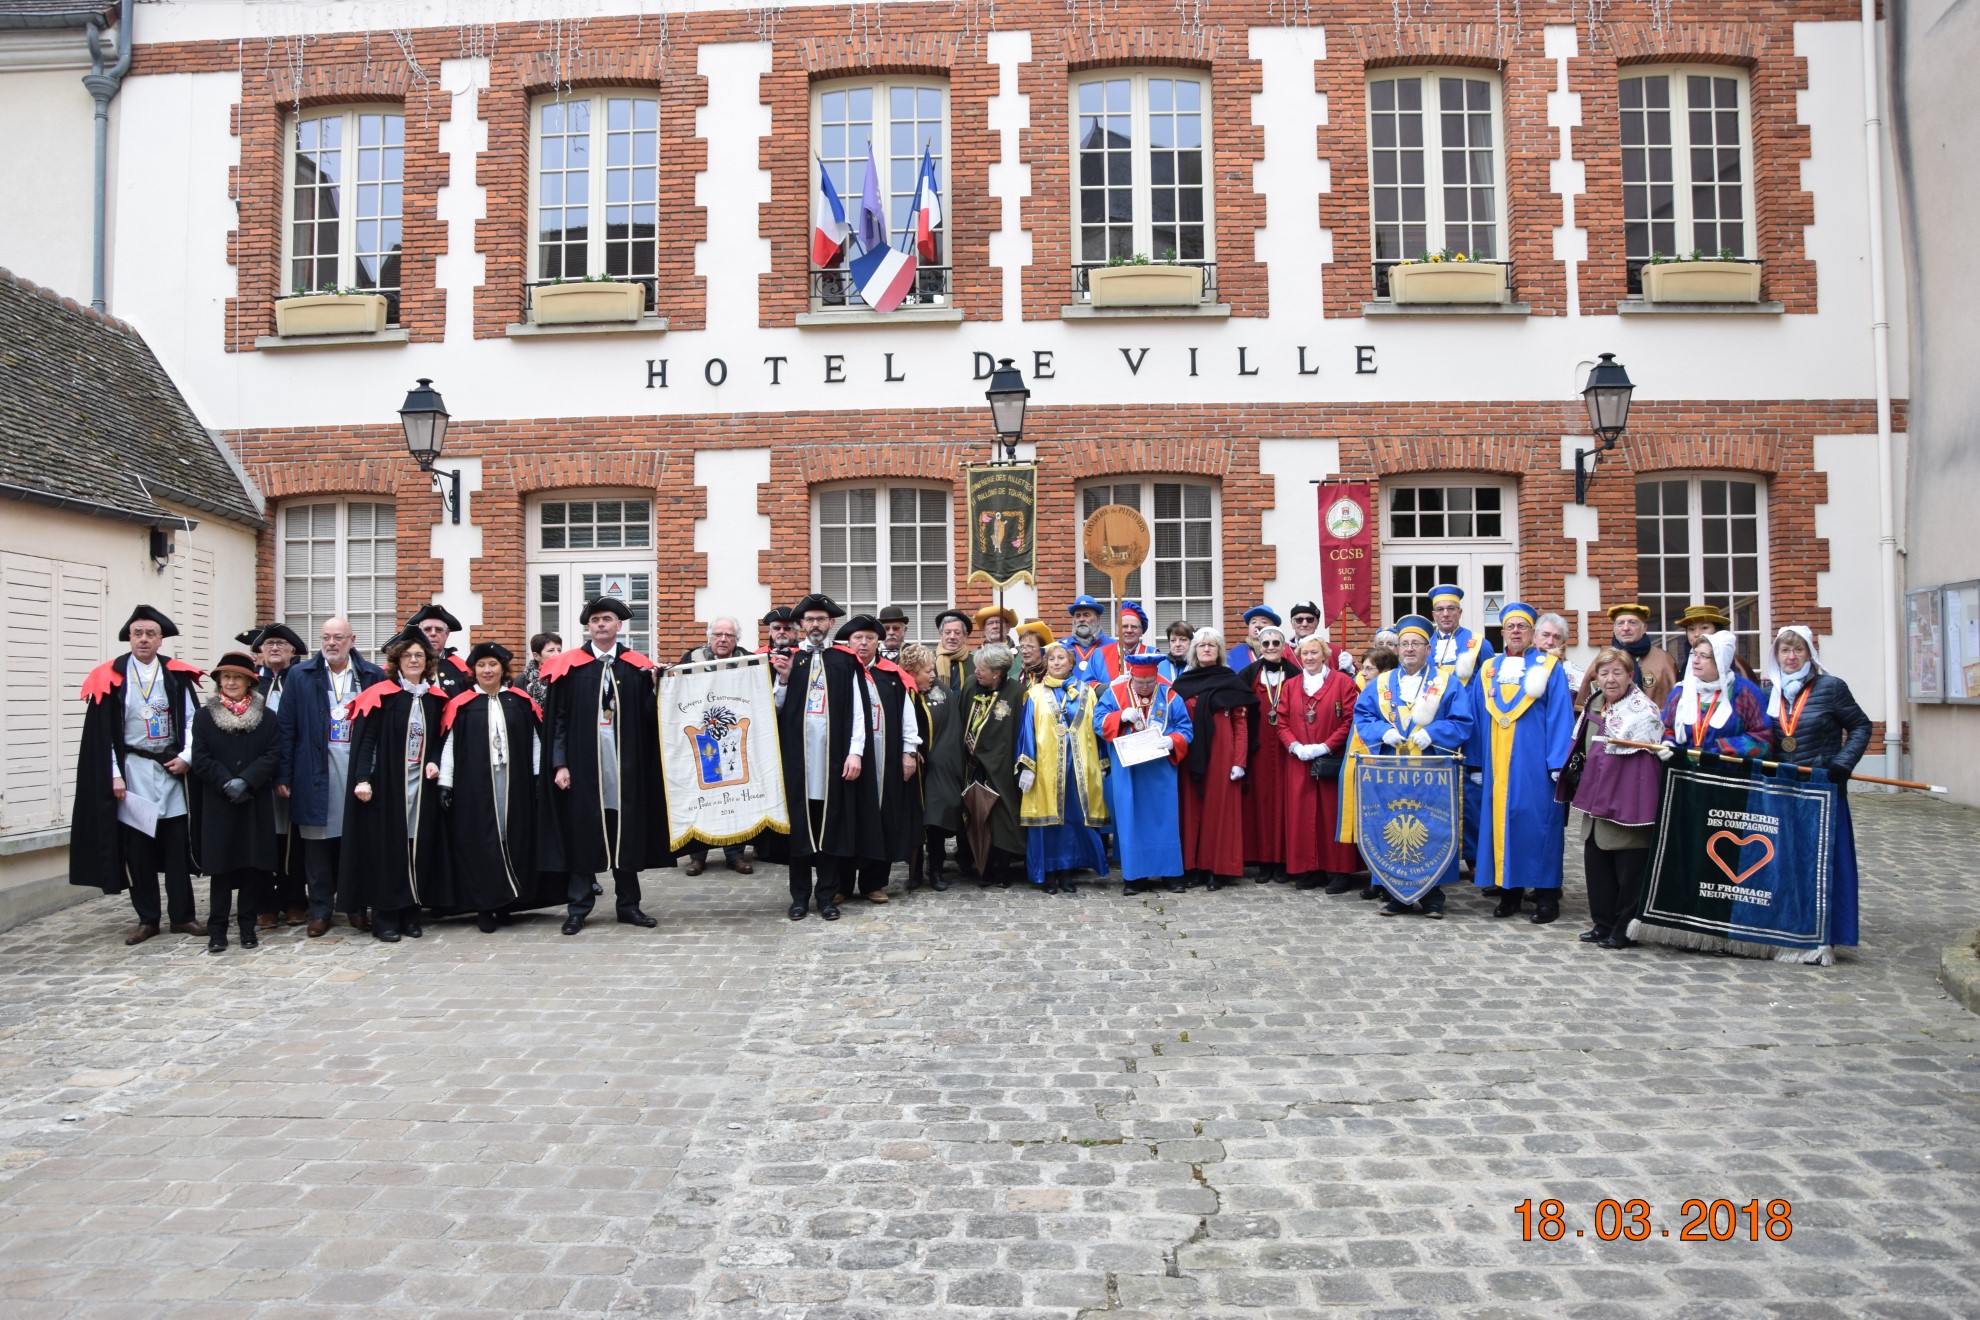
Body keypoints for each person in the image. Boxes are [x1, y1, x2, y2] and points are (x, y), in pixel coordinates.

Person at [70, 606, 208, 944]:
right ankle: (148, 918)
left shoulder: (176, 676)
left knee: (177, 847)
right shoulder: (112, 677)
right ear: (129, 638)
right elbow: (103, 736)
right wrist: (113, 776)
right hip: (132, 772)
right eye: (137, 633)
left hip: (171, 771)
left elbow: (193, 723)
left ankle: (183, 916)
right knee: (139, 851)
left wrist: (187, 758)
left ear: (161, 640)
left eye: (150, 634)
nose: (143, 639)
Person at [539, 595, 668, 936]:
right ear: (588, 626)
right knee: (583, 833)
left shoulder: (636, 667)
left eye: (606, 619)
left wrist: (656, 690)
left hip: (625, 765)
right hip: (584, 765)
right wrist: (560, 764)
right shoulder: (570, 667)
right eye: (595, 619)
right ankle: (579, 907)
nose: (600, 624)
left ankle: (629, 906)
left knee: (626, 832)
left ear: (618, 625)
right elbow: (560, 721)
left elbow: (649, 717)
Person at [1353, 615, 1475, 917]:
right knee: (1390, 825)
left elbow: (1462, 721)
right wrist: (1383, 732)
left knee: (1432, 827)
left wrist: (1432, 733)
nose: (1409, 649)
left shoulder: (1446, 683)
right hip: (1390, 771)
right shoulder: (1381, 683)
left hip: (1431, 771)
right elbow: (1363, 716)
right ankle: (1397, 893)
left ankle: (1433, 895)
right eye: (1405, 643)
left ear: (1428, 649)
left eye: (1416, 644)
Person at [438, 642, 561, 932]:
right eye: (481, 665)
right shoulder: (462, 705)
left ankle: (509, 902)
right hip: (474, 788)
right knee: (482, 843)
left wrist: (536, 777)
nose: (487, 670)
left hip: (514, 782)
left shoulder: (518, 701)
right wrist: (446, 782)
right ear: (474, 671)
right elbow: (450, 746)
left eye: (492, 664)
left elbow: (534, 741)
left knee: (512, 839)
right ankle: (485, 905)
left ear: (502, 669)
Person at [1764, 625, 1871, 950]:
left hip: (1823, 789)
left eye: (1798, 650)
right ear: (1776, 656)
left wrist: (1843, 763)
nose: (1791, 657)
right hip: (1784, 790)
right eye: (1785, 651)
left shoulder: (1831, 687)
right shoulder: (1772, 690)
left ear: (1810, 653)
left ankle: (1828, 933)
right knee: (1787, 859)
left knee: (1824, 860)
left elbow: (1861, 726)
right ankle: (1788, 926)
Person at [277, 616, 385, 937]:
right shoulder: (300, 676)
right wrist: (284, 773)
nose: (331, 643)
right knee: (316, 846)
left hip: (357, 770)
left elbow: (380, 729)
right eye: (326, 637)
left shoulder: (372, 675)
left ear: (352, 641)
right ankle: (321, 909)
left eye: (338, 637)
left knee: (357, 843)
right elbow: (286, 728)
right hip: (314, 769)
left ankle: (355, 907)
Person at [770, 594, 873, 920]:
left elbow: (860, 711)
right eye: (810, 619)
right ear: (801, 624)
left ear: (831, 623)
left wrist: (855, 752)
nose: (815, 625)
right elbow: (774, 709)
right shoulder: (790, 660)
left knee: (831, 828)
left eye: (821, 619)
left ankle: (826, 896)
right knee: (800, 828)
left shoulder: (844, 661)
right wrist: (783, 679)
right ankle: (799, 897)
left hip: (833, 760)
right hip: (798, 761)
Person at [1472, 603, 1577, 923]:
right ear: (1501, 632)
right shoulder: (1488, 669)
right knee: (1502, 824)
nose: (1516, 631)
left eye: (1522, 626)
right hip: (1496, 764)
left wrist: (1557, 761)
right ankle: (1509, 892)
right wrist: (1476, 763)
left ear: (1532, 633)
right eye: (1510, 626)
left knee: (1540, 825)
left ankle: (1546, 896)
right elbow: (1476, 717)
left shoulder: (1549, 667)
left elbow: (1561, 714)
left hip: (1536, 763)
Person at [338, 631, 445, 942]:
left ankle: (411, 912)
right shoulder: (381, 694)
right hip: (386, 785)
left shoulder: (435, 699)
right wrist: (362, 778)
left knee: (415, 846)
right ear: (397, 661)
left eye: (420, 656)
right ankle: (384, 916)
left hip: (420, 785)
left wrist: (434, 760)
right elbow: (366, 740)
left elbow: (438, 738)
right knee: (387, 851)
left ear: (427, 663)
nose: (414, 660)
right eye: (408, 655)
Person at [1559, 646, 1665, 950]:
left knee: (1628, 869)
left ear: (1630, 676)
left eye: (1617, 672)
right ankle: (1602, 923)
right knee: (1597, 865)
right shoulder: (1594, 704)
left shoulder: (1643, 711)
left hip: (1628, 801)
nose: (1610, 679)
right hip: (1595, 797)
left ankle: (1624, 929)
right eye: (1603, 673)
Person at [187, 650, 281, 953]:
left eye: (236, 677)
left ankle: (247, 926)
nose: (230, 682)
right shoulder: (204, 717)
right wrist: (226, 781)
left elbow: (273, 753)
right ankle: (217, 929)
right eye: (225, 677)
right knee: (222, 869)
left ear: (249, 682)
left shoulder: (267, 717)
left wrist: (247, 780)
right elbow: (200, 756)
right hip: (219, 801)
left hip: (254, 800)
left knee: (253, 867)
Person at [1094, 653, 1192, 894]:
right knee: (1131, 820)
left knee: (1164, 820)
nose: (1146, 687)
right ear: (1132, 678)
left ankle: (1170, 874)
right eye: (1141, 683)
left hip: (1161, 769)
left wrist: (1173, 740)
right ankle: (1134, 876)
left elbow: (1185, 728)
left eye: (1150, 682)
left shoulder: (1170, 696)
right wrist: (1119, 716)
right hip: (1129, 769)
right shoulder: (1114, 694)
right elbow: (1097, 721)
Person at [1016, 643, 1110, 894]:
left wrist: (1101, 761)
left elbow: (1096, 729)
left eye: (1062, 659)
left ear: (1071, 664)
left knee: (1071, 822)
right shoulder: (1034, 693)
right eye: (1052, 659)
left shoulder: (1087, 692)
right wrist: (1027, 765)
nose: (1056, 663)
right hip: (1047, 769)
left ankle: (1067, 873)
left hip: (1079, 768)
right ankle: (1046, 874)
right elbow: (1027, 730)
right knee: (1048, 823)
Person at [841, 615, 921, 904]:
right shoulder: (839, 673)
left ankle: (874, 882)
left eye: (869, 638)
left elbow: (907, 718)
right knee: (850, 819)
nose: (863, 643)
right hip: (848, 759)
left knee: (884, 815)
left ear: (878, 642)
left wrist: (909, 752)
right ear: (848, 642)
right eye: (858, 638)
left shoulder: (892, 676)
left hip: (885, 759)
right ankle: (842, 884)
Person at [1278, 635, 1365, 893]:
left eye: (1314, 653)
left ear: (1325, 655)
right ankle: (1310, 868)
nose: (1309, 658)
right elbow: (1282, 722)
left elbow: (1350, 720)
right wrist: (1294, 746)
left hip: (1332, 759)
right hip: (1300, 760)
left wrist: (1325, 746)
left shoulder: (1343, 683)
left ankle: (1339, 870)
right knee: (1302, 815)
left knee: (1333, 814)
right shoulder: (1292, 685)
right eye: (1305, 653)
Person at [1172, 628, 1256, 892]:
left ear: (1219, 650)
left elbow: (1241, 724)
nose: (1206, 649)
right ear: (1194, 651)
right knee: (1191, 810)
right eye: (1201, 645)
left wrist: (1239, 761)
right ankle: (1193, 866)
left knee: (1219, 812)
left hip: (1223, 753)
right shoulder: (1183, 683)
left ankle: (1217, 868)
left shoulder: (1230, 680)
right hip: (1190, 753)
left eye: (1212, 645)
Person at [1426, 584, 1494, 874]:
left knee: (1472, 796)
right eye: (1440, 610)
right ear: (1433, 614)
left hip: (1471, 726)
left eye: (1451, 609)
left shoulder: (1478, 643)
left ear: (1460, 612)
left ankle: (1478, 861)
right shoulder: (1423, 642)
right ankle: (1443, 857)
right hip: (1435, 728)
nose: (1445, 614)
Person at [678, 618, 752, 877]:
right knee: (703, 794)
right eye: (718, 634)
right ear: (710, 637)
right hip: (702, 736)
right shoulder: (691, 659)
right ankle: (698, 856)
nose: (723, 639)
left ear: (736, 640)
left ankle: (735, 856)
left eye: (729, 635)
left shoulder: (749, 662)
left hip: (733, 738)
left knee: (734, 795)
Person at [248, 622, 309, 928]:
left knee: (293, 839)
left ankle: (295, 899)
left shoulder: (300, 681)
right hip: (258, 775)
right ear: (259, 650)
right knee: (262, 838)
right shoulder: (251, 685)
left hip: (293, 772)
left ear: (292, 651)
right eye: (269, 643)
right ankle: (264, 904)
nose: (274, 648)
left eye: (281, 644)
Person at [959, 643, 1024, 887]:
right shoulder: (969, 687)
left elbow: (1018, 732)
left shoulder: (1017, 693)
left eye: (982, 669)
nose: (976, 672)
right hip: (972, 766)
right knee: (975, 817)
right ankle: (980, 868)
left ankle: (1002, 871)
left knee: (1002, 817)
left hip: (1001, 766)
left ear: (997, 672)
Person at [1335, 644, 1398, 891]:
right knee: (1364, 820)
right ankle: (1374, 875)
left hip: (1378, 763)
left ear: (1384, 671)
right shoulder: (1362, 687)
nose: (1364, 672)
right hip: (1356, 759)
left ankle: (1381, 878)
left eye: (1370, 668)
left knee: (1381, 821)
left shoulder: (1390, 694)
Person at [1237, 625, 1296, 884]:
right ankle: (1263, 861)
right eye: (1266, 644)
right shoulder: (1247, 674)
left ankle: (1283, 861)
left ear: (1284, 647)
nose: (1271, 648)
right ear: (1258, 647)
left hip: (1287, 749)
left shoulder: (1295, 673)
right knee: (1260, 805)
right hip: (1258, 748)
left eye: (1276, 643)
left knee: (1285, 803)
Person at [922, 607, 974, 883]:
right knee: (937, 805)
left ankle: (967, 859)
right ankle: (937, 863)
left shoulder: (975, 664)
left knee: (967, 803)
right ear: (940, 635)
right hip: (937, 745)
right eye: (947, 632)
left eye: (957, 633)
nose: (952, 637)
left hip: (968, 745)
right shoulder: (928, 665)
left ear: (966, 637)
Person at [1662, 629, 1771, 760]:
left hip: (1727, 775)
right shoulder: (1680, 693)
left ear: (1720, 661)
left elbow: (1763, 741)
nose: (1695, 660)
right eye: (1694, 654)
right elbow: (1667, 728)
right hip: (1683, 773)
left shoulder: (1745, 694)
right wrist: (1668, 742)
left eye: (1703, 656)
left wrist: (1723, 748)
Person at [895, 642, 938, 892]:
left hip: (929, 768)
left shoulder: (924, 693)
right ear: (912, 670)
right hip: (909, 768)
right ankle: (913, 870)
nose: (932, 675)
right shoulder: (904, 692)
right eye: (928, 670)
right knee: (912, 818)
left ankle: (929, 869)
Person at [1601, 603, 1678, 712]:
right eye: (1620, 623)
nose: (1626, 628)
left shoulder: (1664, 661)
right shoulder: (1602, 661)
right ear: (1614, 629)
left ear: (1644, 628)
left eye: (1632, 623)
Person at [1675, 603, 1755, 680]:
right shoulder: (1686, 665)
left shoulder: (1736, 668)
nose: (1697, 634)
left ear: (1717, 630)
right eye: (1691, 629)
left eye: (1704, 628)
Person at [405, 604, 471, 698]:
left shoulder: (463, 669)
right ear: (418, 634)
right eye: (427, 629)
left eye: (439, 630)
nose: (433, 633)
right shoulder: (404, 666)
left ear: (447, 634)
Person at [1060, 595, 1121, 688]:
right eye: (1078, 616)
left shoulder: (1113, 646)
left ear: (1098, 619)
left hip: (1102, 700)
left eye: (1086, 615)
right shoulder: (1061, 646)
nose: (1081, 619)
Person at [1534, 613, 1586, 695]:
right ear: (1534, 637)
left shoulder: (1576, 675)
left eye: (1556, 637)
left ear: (1563, 643)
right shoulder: (1521, 665)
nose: (1550, 642)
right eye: (1545, 635)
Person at [1227, 605, 1279, 672]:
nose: (1258, 625)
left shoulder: (1283, 651)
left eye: (1264, 622)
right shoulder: (1233, 654)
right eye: (1253, 622)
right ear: (1248, 628)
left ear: (1273, 628)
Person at [522, 631, 562, 709]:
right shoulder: (523, 680)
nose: (557, 654)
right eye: (551, 650)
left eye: (559, 650)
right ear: (536, 656)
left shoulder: (565, 677)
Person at [1013, 620, 1053, 686]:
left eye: (1029, 646)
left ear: (1042, 649)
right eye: (1022, 646)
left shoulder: (1052, 677)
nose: (1024, 651)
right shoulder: (1015, 678)